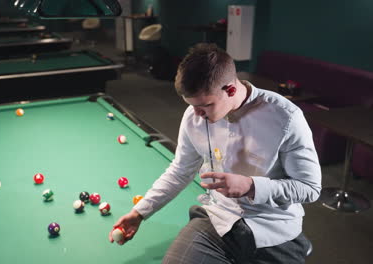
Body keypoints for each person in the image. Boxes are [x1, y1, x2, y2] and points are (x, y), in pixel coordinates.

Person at [108, 43, 322, 263]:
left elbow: (310, 188)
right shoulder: (194, 116)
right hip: (218, 220)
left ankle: (299, 246)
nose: (197, 115)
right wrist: (139, 213)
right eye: (191, 106)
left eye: (205, 106)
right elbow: (180, 171)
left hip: (274, 229)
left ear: (230, 89)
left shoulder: (287, 117)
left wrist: (251, 186)